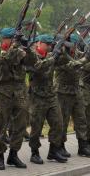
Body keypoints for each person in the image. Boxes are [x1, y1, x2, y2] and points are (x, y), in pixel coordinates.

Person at [0, 28, 36, 170]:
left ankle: (13, 154)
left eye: (14, 39)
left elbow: (31, 61)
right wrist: (15, 46)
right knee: (1, 125)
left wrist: (27, 47)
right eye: (11, 39)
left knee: (20, 126)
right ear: (4, 39)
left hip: (19, 92)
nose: (12, 41)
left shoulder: (19, 50)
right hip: (3, 92)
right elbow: (6, 60)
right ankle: (0, 156)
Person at [28, 34, 67, 164]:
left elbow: (65, 61)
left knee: (58, 123)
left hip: (51, 95)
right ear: (39, 43)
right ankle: (34, 152)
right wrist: (54, 56)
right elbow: (39, 67)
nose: (49, 47)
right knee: (36, 127)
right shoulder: (32, 56)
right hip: (37, 96)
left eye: (51, 45)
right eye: (47, 44)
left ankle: (53, 151)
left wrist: (62, 50)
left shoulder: (51, 55)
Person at [54, 33, 90, 157]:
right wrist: (86, 58)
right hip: (63, 92)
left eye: (76, 45)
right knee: (63, 121)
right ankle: (60, 146)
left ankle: (82, 146)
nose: (75, 47)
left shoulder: (74, 53)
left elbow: (83, 58)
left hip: (76, 91)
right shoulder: (60, 56)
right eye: (73, 45)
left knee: (81, 119)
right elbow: (73, 65)